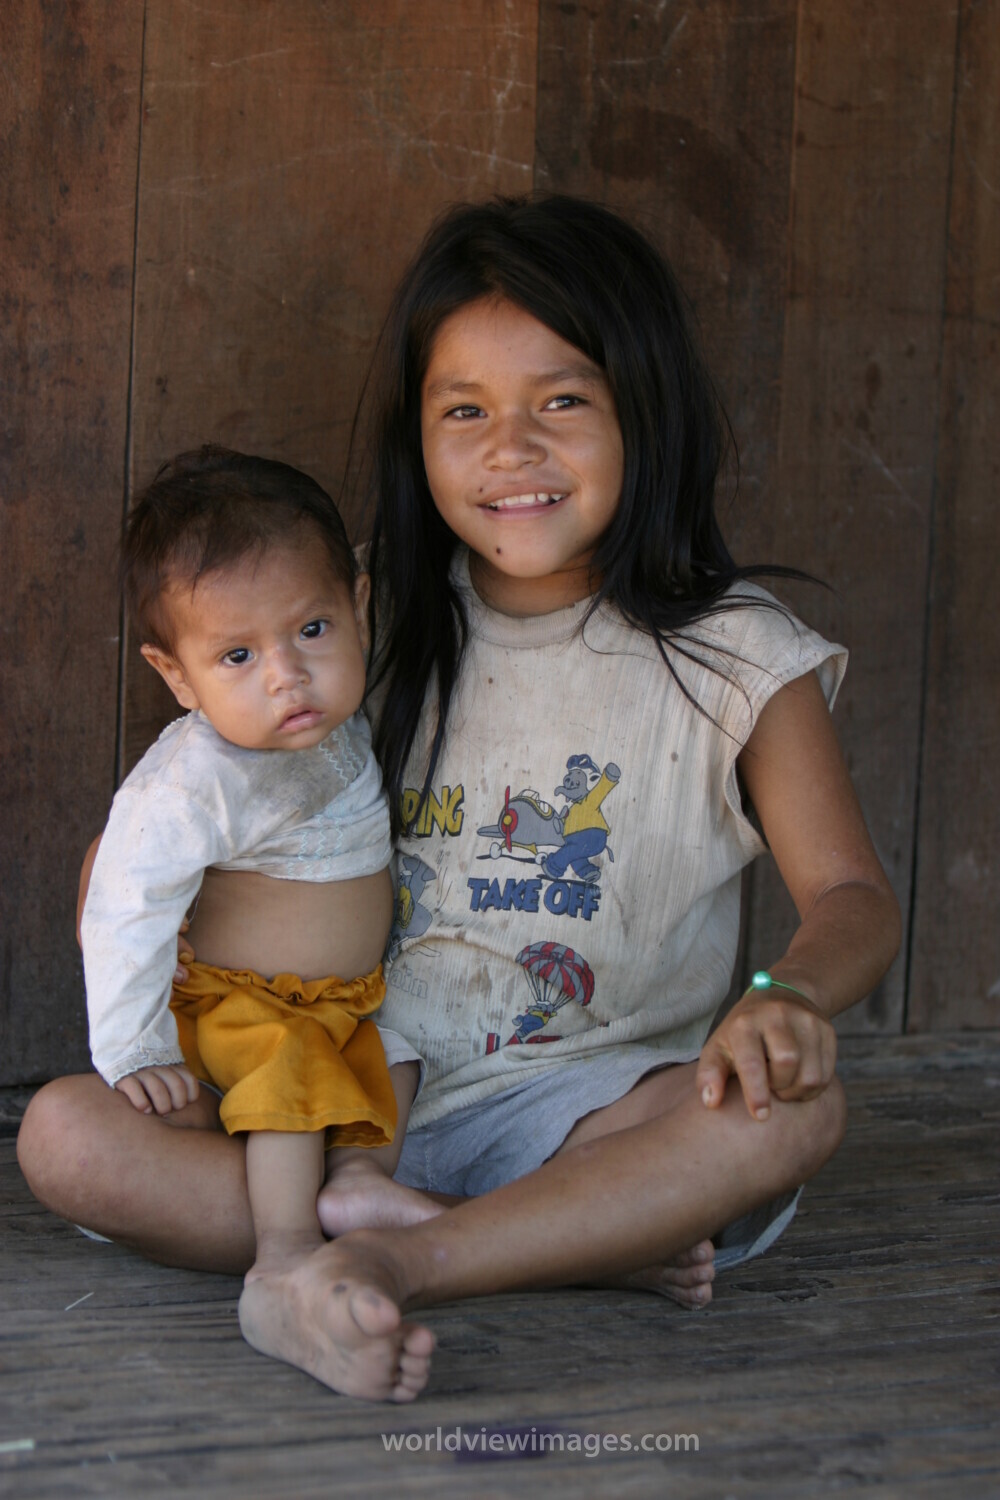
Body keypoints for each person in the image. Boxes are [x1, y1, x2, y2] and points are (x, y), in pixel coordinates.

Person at [18, 196, 901, 1405]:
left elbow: (849, 893)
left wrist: (784, 997)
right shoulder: (355, 624)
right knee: (63, 1135)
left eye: (563, 401)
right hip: (338, 1102)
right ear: (417, 433)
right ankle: (558, 1247)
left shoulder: (736, 658)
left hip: (590, 1114)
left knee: (786, 1114)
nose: (511, 449)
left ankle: (387, 1259)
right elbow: (191, 815)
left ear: (646, 406)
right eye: (465, 410)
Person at [75, 447, 424, 1359]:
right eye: (237, 655)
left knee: (413, 1055)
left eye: (311, 630)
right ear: (180, 677)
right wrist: (134, 1048)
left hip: (345, 1004)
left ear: (358, 605)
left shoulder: (340, 725)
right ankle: (283, 1257)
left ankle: (357, 1183)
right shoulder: (196, 780)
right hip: (246, 1007)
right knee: (284, 1086)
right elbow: (125, 905)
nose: (286, 676)